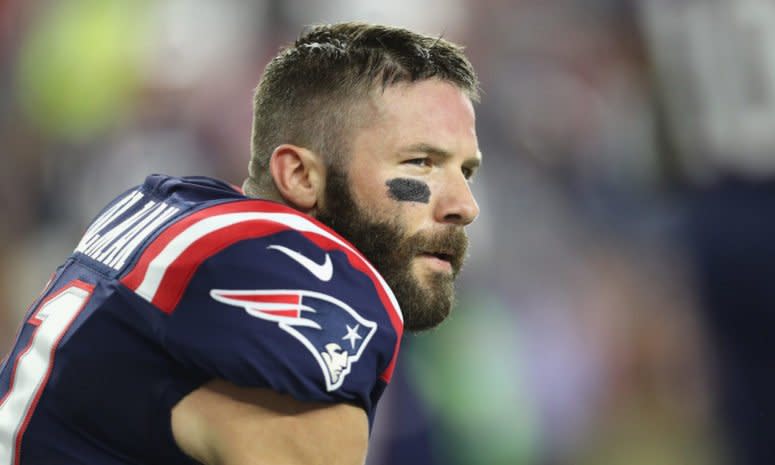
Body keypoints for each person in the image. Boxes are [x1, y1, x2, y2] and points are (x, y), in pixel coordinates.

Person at [0, 22, 481, 465]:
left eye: (466, 171)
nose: (465, 204)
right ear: (299, 175)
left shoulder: (168, 205)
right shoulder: (313, 272)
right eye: (420, 162)